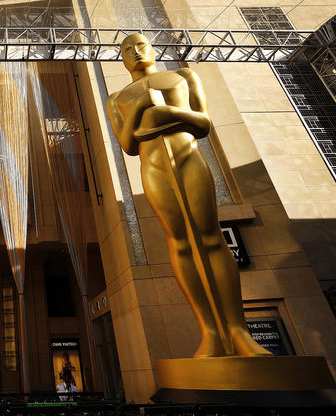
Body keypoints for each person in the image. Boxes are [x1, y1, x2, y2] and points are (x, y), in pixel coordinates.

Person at [106, 33, 272, 358]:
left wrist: (167, 113)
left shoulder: (182, 76)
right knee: (179, 242)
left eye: (140, 45)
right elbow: (127, 143)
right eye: (127, 49)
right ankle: (210, 333)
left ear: (152, 49)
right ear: (122, 59)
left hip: (189, 160)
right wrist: (142, 105)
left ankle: (239, 332)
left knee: (211, 238)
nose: (135, 52)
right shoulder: (117, 98)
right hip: (153, 170)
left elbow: (204, 122)